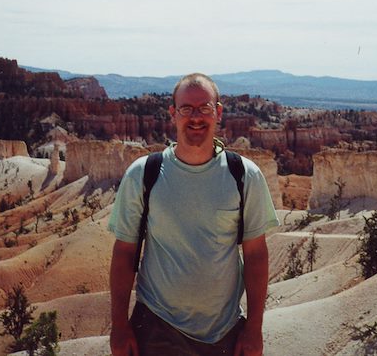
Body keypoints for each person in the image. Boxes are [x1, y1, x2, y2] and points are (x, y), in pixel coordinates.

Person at [108, 73, 279, 356]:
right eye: (186, 108)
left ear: (218, 112)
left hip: (224, 334)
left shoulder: (245, 175)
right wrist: (119, 325)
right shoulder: (143, 174)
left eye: (204, 108)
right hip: (156, 328)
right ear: (173, 113)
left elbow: (256, 255)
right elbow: (124, 252)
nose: (195, 117)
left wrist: (254, 328)